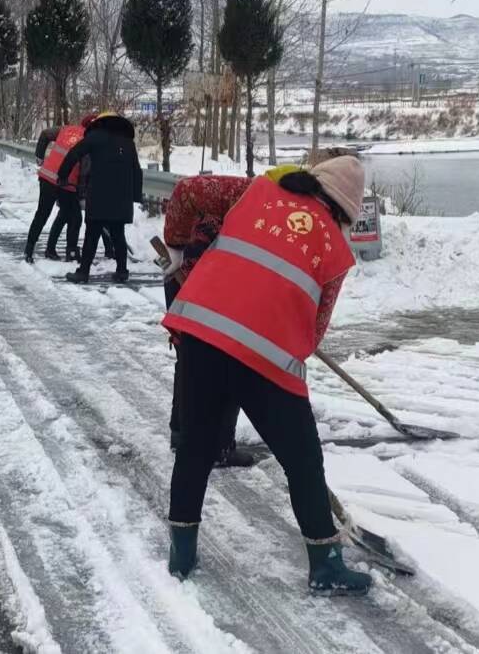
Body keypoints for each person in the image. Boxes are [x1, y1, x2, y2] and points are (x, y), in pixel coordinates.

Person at [163, 157, 371, 596]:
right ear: (345, 211)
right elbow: (312, 334)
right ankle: (326, 566)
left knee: (196, 448)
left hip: (202, 330)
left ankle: (181, 556)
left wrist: (178, 248)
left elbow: (187, 191)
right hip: (265, 357)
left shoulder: (255, 191)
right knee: (303, 461)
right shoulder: (334, 248)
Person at [162, 167, 306, 463]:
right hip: (195, 284)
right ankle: (218, 447)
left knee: (191, 358)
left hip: (193, 279)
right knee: (226, 360)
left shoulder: (249, 208)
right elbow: (187, 192)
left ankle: (184, 433)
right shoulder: (242, 204)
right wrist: (177, 249)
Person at [57, 112, 143, 283]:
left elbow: (74, 153)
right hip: (121, 197)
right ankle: (122, 271)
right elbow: (137, 170)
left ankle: (83, 272)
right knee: (118, 234)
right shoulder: (128, 143)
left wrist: (63, 175)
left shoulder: (95, 137)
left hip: (99, 195)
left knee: (92, 234)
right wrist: (135, 196)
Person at [24, 114, 92, 263]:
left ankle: (29, 249)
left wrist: (40, 156)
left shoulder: (66, 129)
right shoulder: (88, 140)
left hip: (47, 176)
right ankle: (71, 252)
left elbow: (45, 134)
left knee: (42, 214)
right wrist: (81, 195)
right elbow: (84, 170)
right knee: (75, 216)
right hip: (65, 181)